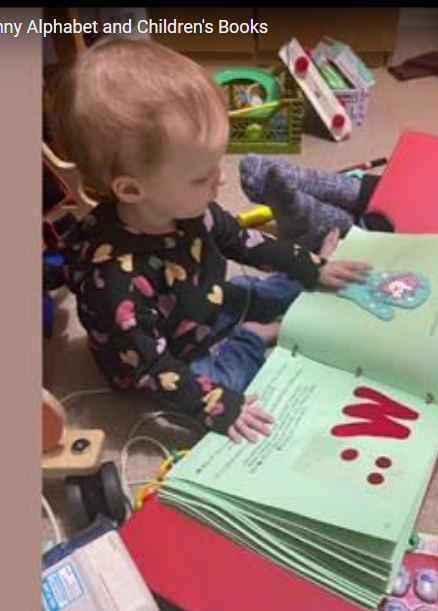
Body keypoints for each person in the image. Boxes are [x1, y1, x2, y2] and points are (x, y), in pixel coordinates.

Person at [51, 37, 372, 444]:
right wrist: (216, 406)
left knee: (247, 289)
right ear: (132, 190)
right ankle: (257, 335)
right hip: (160, 359)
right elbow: (152, 370)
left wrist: (312, 266)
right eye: (201, 176)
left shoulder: (192, 209)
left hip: (204, 303)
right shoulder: (115, 285)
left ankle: (292, 288)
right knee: (222, 382)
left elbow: (246, 241)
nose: (220, 179)